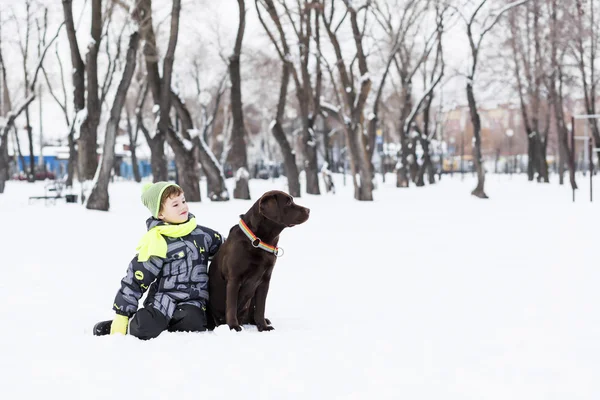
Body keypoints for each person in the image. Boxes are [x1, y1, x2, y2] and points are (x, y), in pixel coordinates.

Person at [93, 181, 223, 340]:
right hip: (163, 301)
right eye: (175, 205)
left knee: (192, 322)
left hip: (193, 300)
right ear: (160, 214)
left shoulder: (203, 235)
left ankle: (170, 325)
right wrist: (122, 314)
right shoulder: (157, 242)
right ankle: (128, 325)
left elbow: (228, 251)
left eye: (183, 201)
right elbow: (136, 278)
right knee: (143, 327)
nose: (183, 207)